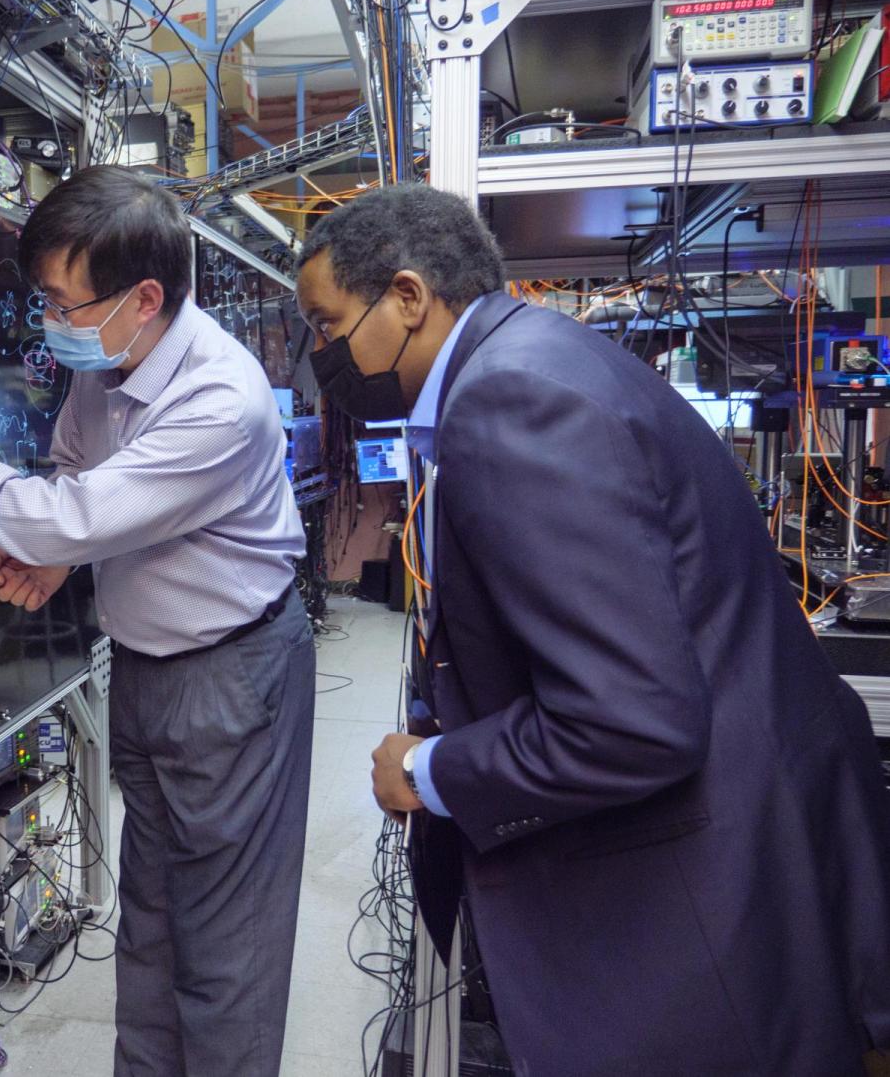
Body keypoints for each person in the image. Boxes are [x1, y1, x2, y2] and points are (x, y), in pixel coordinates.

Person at [293, 182, 890, 1076]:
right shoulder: (542, 360)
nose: (319, 352)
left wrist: (430, 769)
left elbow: (628, 718)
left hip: (691, 908)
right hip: (753, 848)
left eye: (327, 323)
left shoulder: (510, 403)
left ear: (408, 298)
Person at [0, 165, 315, 1077]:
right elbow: (76, 486)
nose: (51, 322)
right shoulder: (111, 362)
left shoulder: (217, 399)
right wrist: (59, 550)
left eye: (64, 302)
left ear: (144, 297)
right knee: (149, 932)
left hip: (235, 680)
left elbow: (66, 513)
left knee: (228, 949)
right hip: (149, 671)